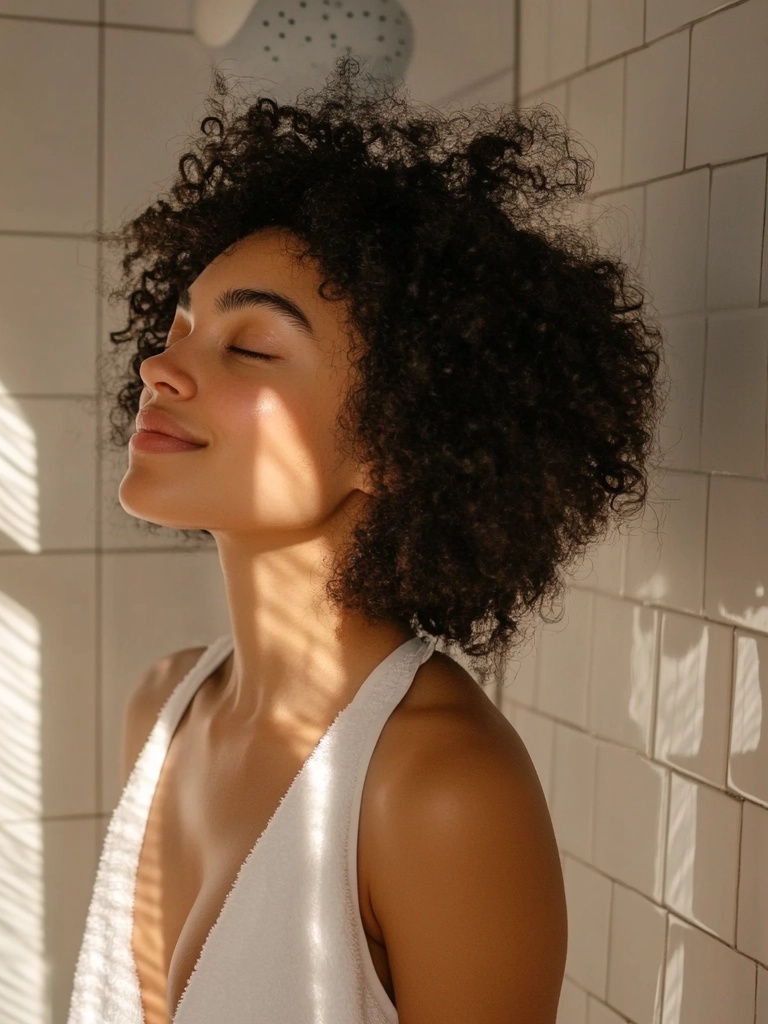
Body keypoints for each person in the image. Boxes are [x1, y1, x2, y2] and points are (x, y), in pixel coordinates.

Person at [69, 55, 666, 1024]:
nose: (160, 366)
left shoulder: (439, 788)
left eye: (250, 345)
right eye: (177, 326)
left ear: (395, 440)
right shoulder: (161, 709)